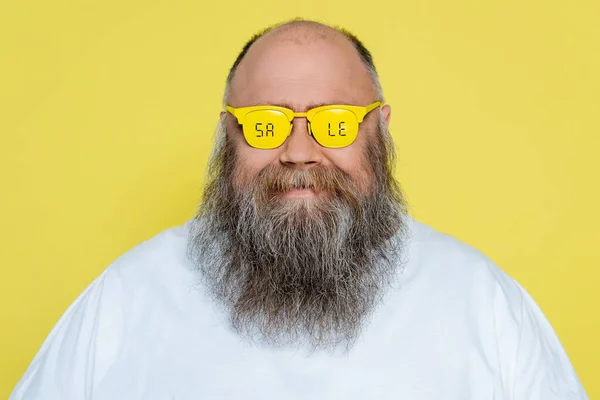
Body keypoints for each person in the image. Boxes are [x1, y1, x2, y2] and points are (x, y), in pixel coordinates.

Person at [11, 19, 588, 400]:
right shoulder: (125, 299)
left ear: (379, 131)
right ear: (227, 136)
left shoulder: (482, 304)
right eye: (267, 125)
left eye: (335, 123)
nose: (299, 152)